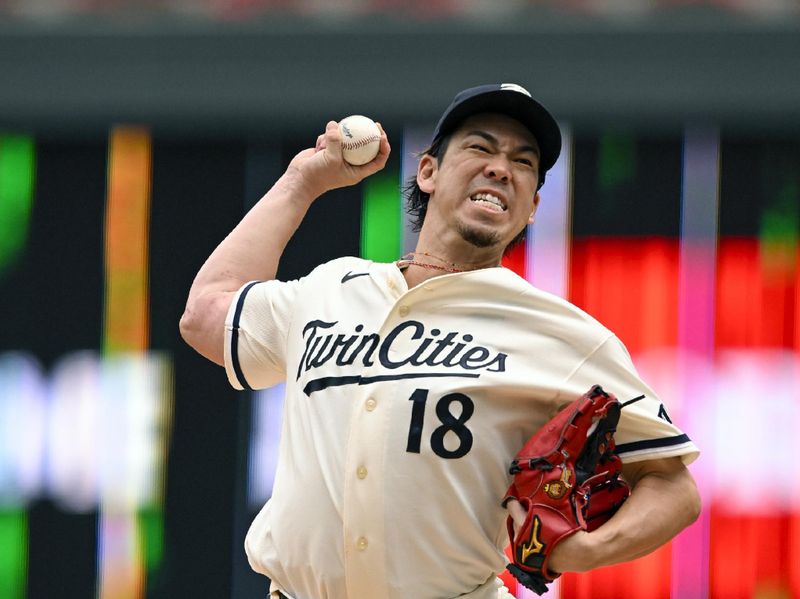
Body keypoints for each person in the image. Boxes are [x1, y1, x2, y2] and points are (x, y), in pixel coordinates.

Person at [180, 83, 701, 599]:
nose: (501, 168)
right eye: (480, 147)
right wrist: (300, 183)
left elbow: (672, 484)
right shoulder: (330, 289)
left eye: (523, 162)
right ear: (427, 171)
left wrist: (589, 551)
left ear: (533, 207)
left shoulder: (560, 333)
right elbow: (205, 316)